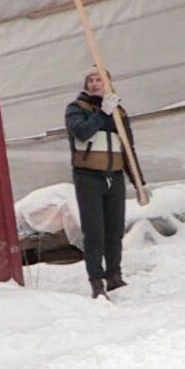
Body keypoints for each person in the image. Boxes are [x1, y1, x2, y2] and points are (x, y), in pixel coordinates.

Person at [65, 69, 140, 300]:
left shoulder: (119, 112)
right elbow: (82, 132)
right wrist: (102, 113)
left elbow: (127, 148)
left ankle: (114, 275)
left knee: (115, 230)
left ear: (108, 83)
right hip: (88, 177)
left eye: (100, 79)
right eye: (91, 80)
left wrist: (138, 182)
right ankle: (96, 281)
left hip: (114, 176)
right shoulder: (76, 108)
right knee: (94, 231)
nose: (95, 83)